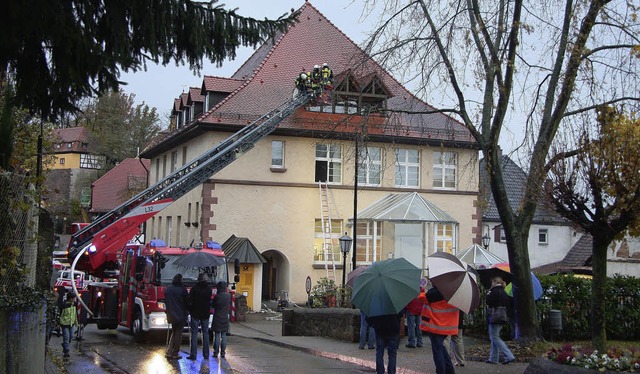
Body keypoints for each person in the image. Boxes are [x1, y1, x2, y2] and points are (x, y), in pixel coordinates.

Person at [418, 285, 459, 374]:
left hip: (435, 326)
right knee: (441, 348)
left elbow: (421, 298)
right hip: (447, 326)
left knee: (437, 351)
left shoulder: (434, 292)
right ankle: (450, 370)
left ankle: (441, 371)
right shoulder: (453, 292)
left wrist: (421, 291)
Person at [486, 276, 516, 365]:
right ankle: (493, 358)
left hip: (494, 317)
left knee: (495, 337)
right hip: (503, 316)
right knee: (494, 336)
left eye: (492, 282)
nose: (491, 284)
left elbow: (489, 302)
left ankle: (509, 355)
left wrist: (488, 293)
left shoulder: (494, 292)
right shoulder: (504, 292)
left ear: (495, 282)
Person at [188, 273, 212, 360]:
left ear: (198, 279)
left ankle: (193, 354)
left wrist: (190, 310)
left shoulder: (194, 289)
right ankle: (206, 355)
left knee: (194, 333)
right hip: (205, 313)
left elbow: (190, 300)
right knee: (205, 334)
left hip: (195, 313)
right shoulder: (209, 289)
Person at [164, 273, 189, 360]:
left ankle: (169, 351)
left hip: (171, 314)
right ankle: (175, 352)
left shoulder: (168, 289)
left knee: (174, 333)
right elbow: (186, 303)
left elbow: (166, 301)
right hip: (181, 315)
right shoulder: (182, 289)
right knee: (178, 334)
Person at [211, 281, 231, 358]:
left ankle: (216, 352)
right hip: (225, 317)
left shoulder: (217, 296)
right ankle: (223, 352)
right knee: (224, 335)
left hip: (217, 317)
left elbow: (213, 305)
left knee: (217, 335)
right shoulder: (228, 296)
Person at [59, 292, 78, 358]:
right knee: (66, 337)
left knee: (71, 336)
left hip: (71, 323)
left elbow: (75, 314)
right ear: (70, 298)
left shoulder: (74, 304)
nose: (74, 299)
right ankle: (66, 352)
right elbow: (61, 314)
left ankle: (65, 345)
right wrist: (60, 322)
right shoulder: (64, 305)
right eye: (74, 298)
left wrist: (76, 322)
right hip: (65, 324)